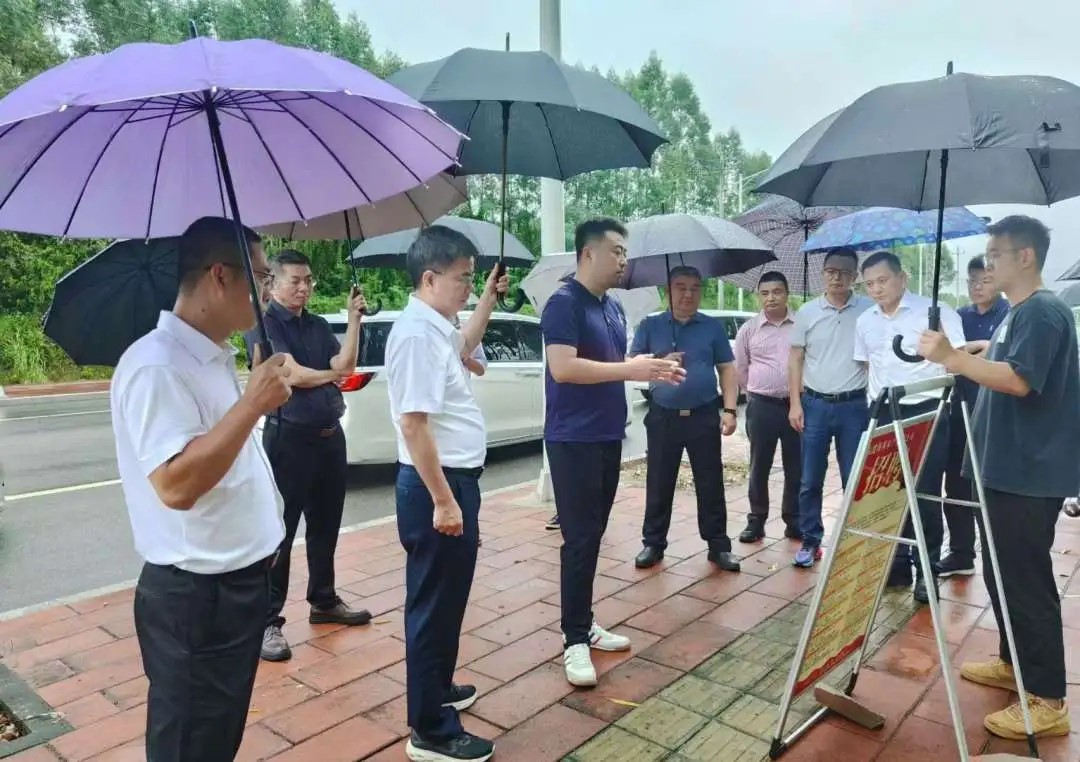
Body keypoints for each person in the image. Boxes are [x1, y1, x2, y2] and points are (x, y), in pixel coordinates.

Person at [111, 216, 290, 761]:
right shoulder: (157, 366)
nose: (268, 289)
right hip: (199, 599)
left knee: (215, 737)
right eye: (262, 277)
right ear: (220, 275)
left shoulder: (209, 355)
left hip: (235, 588)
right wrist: (252, 405)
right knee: (190, 743)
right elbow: (176, 484)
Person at [919, 215, 1077, 740]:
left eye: (995, 255)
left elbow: (1019, 380)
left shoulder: (1044, 311)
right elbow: (1008, 359)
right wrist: (979, 351)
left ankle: (1048, 699)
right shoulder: (1020, 313)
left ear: (1024, 256)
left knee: (1026, 581)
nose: (987, 266)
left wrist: (951, 358)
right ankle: (1015, 664)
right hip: (1004, 469)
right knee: (1002, 573)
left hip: (1027, 474)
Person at [543, 218, 685, 688]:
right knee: (579, 539)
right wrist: (630, 369)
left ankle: (584, 623)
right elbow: (563, 368)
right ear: (588, 254)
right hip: (573, 439)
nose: (624, 260)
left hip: (606, 435)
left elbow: (611, 365)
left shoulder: (613, 306)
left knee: (594, 535)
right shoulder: (563, 303)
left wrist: (649, 367)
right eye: (617, 251)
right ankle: (573, 640)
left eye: (625, 252)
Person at [386, 225, 507, 762]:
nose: (468, 287)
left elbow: (466, 343)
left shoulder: (436, 328)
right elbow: (413, 424)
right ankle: (431, 730)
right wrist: (443, 500)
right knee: (433, 606)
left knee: (447, 599)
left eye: (472, 278)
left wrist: (486, 299)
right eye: (463, 278)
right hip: (437, 486)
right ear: (430, 278)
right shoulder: (416, 335)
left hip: (452, 482)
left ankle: (436, 688)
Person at [244, 250, 372, 663]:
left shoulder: (316, 325)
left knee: (325, 525)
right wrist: (333, 376)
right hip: (289, 439)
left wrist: (353, 321)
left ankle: (324, 600)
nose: (304, 288)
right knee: (279, 533)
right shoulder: (263, 325)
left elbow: (345, 362)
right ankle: (268, 620)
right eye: (295, 280)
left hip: (330, 437)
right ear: (273, 283)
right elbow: (291, 374)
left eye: (308, 280)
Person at [854, 250, 966, 604]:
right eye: (869, 284)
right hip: (884, 412)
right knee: (887, 492)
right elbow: (868, 366)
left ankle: (927, 572)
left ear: (902, 278)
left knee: (924, 494)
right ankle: (897, 565)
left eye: (883, 280)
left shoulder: (936, 312)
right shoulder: (865, 320)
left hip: (928, 410)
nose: (876, 289)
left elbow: (958, 360)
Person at [629, 265, 741, 571]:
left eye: (694, 288)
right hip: (663, 416)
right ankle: (653, 543)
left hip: (703, 415)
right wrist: (659, 362)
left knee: (710, 481)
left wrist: (730, 410)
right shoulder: (650, 326)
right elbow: (631, 365)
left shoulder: (711, 327)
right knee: (659, 481)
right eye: (680, 287)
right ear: (668, 291)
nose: (688, 294)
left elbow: (727, 369)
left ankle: (718, 546)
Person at [788, 248, 873, 568]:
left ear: (855, 277)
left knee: (855, 478)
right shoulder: (807, 312)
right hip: (815, 405)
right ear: (822, 273)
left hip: (855, 406)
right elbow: (795, 359)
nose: (837, 277)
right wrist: (795, 403)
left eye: (844, 272)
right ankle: (811, 540)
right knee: (810, 479)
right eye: (831, 271)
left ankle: (855, 539)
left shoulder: (868, 310)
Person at [936, 256, 1008, 578]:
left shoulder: (1008, 314)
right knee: (955, 484)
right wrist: (977, 347)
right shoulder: (959, 316)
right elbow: (947, 358)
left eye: (985, 280)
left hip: (993, 415)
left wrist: (966, 352)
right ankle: (961, 553)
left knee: (989, 489)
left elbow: (996, 356)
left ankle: (997, 559)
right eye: (972, 281)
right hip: (960, 409)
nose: (977, 287)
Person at [734, 271, 802, 543]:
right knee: (759, 465)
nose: (771, 298)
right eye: (765, 293)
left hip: (797, 405)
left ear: (787, 293)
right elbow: (740, 369)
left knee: (796, 466)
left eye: (776, 292)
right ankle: (756, 520)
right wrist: (754, 392)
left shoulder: (802, 326)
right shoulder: (748, 329)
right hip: (762, 406)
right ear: (758, 297)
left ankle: (794, 520)